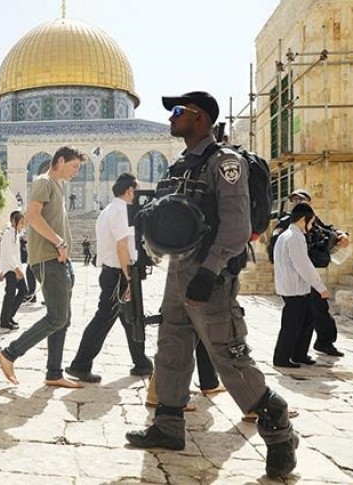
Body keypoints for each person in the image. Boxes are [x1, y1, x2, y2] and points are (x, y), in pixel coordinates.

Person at [125, 92, 297, 479]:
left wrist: (209, 270)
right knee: (171, 345)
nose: (171, 117)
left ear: (199, 117)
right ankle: (168, 427)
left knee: (227, 355)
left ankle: (278, 429)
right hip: (180, 269)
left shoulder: (225, 163)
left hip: (211, 274)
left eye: (177, 111)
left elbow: (236, 227)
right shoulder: (185, 164)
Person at [0, 146, 85, 389]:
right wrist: (58, 241)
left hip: (60, 260)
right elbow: (33, 216)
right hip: (47, 258)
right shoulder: (43, 182)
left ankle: (54, 373)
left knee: (63, 318)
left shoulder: (59, 186)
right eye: (74, 166)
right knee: (56, 317)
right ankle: (10, 353)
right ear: (61, 160)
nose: (76, 172)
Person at [64, 173, 153, 383]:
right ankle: (80, 364)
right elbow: (122, 246)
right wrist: (129, 278)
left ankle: (141, 362)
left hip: (116, 273)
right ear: (130, 190)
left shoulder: (109, 210)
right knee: (104, 318)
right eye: (136, 190)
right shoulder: (120, 210)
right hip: (119, 274)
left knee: (131, 317)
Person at [270, 189, 346, 358]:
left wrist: (341, 234)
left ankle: (316, 346)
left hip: (308, 273)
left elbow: (329, 230)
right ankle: (291, 354)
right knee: (298, 319)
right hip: (300, 274)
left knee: (315, 313)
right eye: (294, 199)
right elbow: (275, 249)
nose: (297, 202)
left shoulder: (313, 221)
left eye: (301, 199)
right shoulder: (286, 224)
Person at [272, 202, 330, 368]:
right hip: (294, 289)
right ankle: (282, 358)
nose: (311, 227)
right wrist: (321, 287)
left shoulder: (286, 235)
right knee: (292, 325)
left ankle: (299, 354)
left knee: (306, 321)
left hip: (293, 288)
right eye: (311, 222)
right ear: (304, 219)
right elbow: (304, 266)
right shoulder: (295, 237)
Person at [0, 211, 27, 330]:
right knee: (10, 293)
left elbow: (14, 254)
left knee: (23, 290)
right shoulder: (8, 234)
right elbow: (7, 254)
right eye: (21, 222)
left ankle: (9, 316)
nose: (23, 225)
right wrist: (14, 269)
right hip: (11, 269)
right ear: (14, 221)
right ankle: (4, 320)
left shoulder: (16, 235)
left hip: (14, 268)